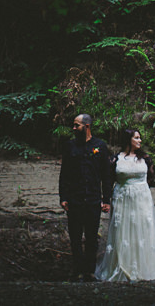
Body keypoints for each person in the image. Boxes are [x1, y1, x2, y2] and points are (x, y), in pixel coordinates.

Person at [95, 128, 155, 281]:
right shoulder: (116, 159)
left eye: (140, 138)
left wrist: (139, 187)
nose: (140, 141)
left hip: (141, 198)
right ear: (128, 139)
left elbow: (151, 177)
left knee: (141, 228)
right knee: (122, 229)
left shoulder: (146, 159)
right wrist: (107, 199)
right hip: (122, 197)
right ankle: (122, 266)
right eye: (136, 138)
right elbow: (108, 180)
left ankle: (142, 267)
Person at [59, 113, 113, 281]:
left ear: (87, 126)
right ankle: (77, 270)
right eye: (74, 125)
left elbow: (106, 175)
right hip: (74, 199)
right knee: (75, 237)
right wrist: (63, 196)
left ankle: (89, 271)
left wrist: (106, 199)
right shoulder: (70, 146)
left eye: (77, 125)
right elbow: (64, 173)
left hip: (93, 199)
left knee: (91, 238)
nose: (74, 128)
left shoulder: (100, 146)